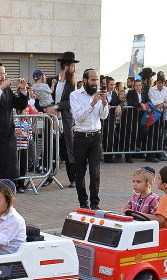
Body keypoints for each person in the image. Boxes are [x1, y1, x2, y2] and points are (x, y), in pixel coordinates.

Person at [70, 68, 109, 209]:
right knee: (80, 173)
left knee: (95, 172)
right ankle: (83, 203)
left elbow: (104, 116)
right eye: (92, 80)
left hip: (96, 137)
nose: (95, 83)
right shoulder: (75, 95)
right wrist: (92, 104)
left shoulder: (100, 95)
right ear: (85, 80)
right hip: (80, 137)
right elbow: (78, 118)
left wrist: (104, 103)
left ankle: (95, 204)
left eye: (97, 80)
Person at [54, 52, 79, 186]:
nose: (74, 68)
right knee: (52, 147)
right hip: (52, 119)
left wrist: (56, 106)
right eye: (72, 66)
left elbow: (70, 101)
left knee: (69, 148)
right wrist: (49, 108)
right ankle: (49, 176)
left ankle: (73, 178)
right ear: (66, 67)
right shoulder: (53, 81)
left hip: (65, 119)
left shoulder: (71, 84)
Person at [14, 112, 31, 192]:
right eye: (25, 111)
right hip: (15, 148)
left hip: (24, 148)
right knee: (15, 166)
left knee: (23, 166)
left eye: (28, 111)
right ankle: (15, 184)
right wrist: (16, 132)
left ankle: (21, 184)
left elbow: (30, 137)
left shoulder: (27, 124)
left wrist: (25, 135)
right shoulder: (14, 122)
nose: (27, 113)